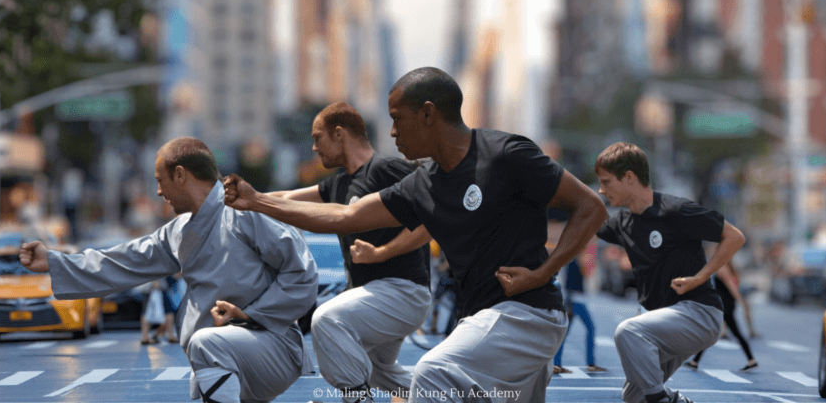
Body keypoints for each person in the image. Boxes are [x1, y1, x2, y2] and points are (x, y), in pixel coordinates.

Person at [223, 66, 609, 403]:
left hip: (528, 314)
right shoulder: (423, 184)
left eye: (398, 118)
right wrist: (258, 201)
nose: (391, 131)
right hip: (482, 320)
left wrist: (545, 271)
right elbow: (345, 215)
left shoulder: (505, 153)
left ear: (427, 115)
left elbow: (591, 207)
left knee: (433, 374)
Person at [20, 138, 317, 403]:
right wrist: (55, 261)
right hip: (225, 356)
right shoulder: (177, 232)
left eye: (161, 181)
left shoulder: (245, 212)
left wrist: (253, 314)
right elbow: (122, 261)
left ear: (180, 174)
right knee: (207, 353)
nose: (160, 192)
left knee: (205, 342)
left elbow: (302, 272)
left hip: (273, 345)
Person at [267, 102, 432, 403]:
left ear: (339, 134)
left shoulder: (387, 169)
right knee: (378, 371)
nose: (314, 147)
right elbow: (285, 199)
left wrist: (382, 252)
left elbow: (429, 223)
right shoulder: (338, 185)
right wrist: (237, 199)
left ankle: (357, 400)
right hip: (373, 297)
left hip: (403, 292)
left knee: (327, 320)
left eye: (318, 138)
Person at [593, 142, 746, 403]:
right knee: (634, 397)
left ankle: (666, 400)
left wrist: (701, 277)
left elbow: (734, 236)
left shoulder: (676, 211)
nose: (601, 189)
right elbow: (580, 219)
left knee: (628, 332)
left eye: (606, 182)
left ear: (629, 177)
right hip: (661, 323)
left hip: (698, 314)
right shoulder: (621, 223)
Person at [685, 264, 758, 372]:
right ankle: (695, 361)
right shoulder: (728, 268)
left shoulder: (723, 268)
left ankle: (695, 361)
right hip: (726, 305)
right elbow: (733, 284)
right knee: (723, 332)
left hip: (725, 306)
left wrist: (742, 302)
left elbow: (732, 287)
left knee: (717, 332)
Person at [552, 251, 606, 374]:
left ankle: (557, 364)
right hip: (575, 302)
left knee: (564, 333)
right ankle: (590, 364)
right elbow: (567, 284)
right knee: (590, 329)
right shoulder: (573, 263)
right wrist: (567, 304)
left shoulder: (576, 263)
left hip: (575, 301)